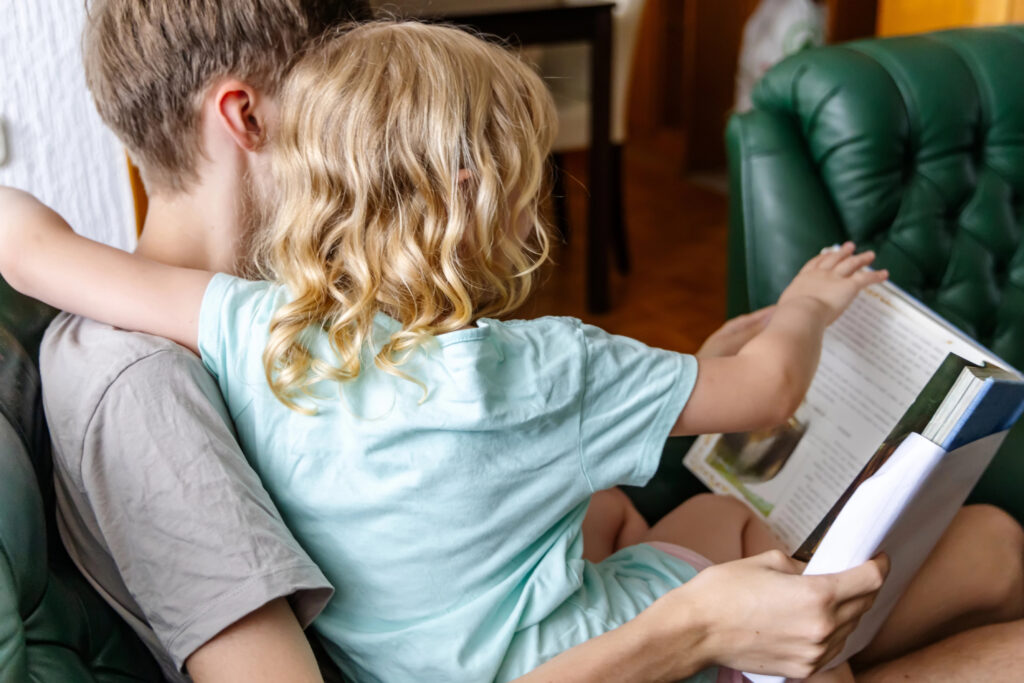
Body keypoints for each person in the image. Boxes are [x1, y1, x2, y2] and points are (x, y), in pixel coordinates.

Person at [5, 19, 1024, 683]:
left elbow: (35, 245)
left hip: (436, 637)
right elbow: (762, 393)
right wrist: (800, 308)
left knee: (773, 520)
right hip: (571, 652)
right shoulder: (541, 363)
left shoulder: (248, 321)